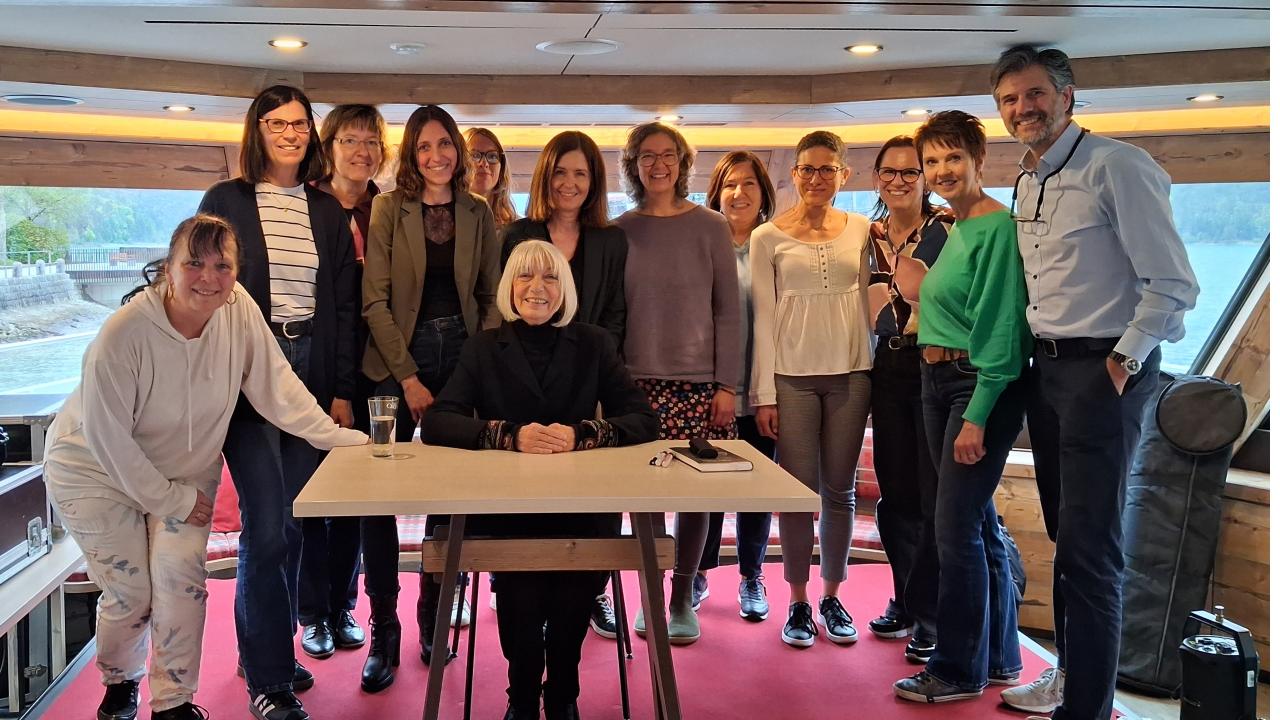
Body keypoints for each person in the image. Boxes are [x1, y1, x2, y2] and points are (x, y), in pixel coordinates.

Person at [45, 215, 368, 720]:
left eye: (223, 266)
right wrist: (170, 499)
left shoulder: (237, 309)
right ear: (167, 268)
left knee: (180, 581)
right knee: (132, 593)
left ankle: (173, 703)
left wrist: (342, 439)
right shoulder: (124, 333)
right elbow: (108, 438)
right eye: (193, 263)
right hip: (95, 469)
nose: (209, 278)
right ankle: (120, 682)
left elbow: (278, 387)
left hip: (183, 470)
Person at [990, 46, 1198, 720]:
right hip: (1047, 372)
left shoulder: (1118, 166)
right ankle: (1070, 680)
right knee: (1068, 538)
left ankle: (1086, 709)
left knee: (1092, 552)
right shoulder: (1028, 180)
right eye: (1009, 100)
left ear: (1067, 96)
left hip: (1103, 372)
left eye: (1034, 94)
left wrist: (1122, 363)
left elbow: (1173, 285)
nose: (1023, 108)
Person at [421, 240, 659, 720]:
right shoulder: (483, 347)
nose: (537, 287)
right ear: (509, 287)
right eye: (525, 276)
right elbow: (438, 422)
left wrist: (582, 434)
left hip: (583, 508)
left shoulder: (594, 343)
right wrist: (508, 435)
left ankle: (564, 694)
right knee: (522, 600)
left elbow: (643, 419)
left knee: (573, 598)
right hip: (509, 511)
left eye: (550, 277)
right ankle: (523, 697)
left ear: (564, 288)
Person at [198, 84, 361, 720]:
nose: (290, 134)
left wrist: (340, 390)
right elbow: (203, 285)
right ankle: (268, 682)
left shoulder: (327, 209)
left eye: (299, 124)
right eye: (277, 123)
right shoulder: (226, 200)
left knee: (293, 525)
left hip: (310, 370)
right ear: (257, 130)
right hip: (245, 372)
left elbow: (343, 308)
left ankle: (264, 649)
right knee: (266, 528)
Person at [360, 103, 502, 692]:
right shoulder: (388, 208)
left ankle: (433, 614)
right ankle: (383, 627)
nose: (436, 155)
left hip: (463, 361)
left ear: (457, 151)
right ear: (411, 155)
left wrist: (471, 371)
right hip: (395, 360)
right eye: (424, 146)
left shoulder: (478, 211)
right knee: (378, 496)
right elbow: (374, 300)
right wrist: (410, 377)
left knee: (449, 494)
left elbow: (492, 300)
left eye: (445, 143)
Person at [891, 110, 1030, 703]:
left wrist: (979, 413)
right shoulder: (958, 226)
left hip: (973, 384)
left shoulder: (997, 226)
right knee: (976, 522)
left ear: (979, 160)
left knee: (954, 530)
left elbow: (1003, 327)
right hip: (938, 377)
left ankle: (955, 670)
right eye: (932, 161)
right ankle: (997, 657)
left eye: (953, 157)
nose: (942, 170)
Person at [500, 130, 629, 636]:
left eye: (581, 173)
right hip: (527, 382)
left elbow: (615, 314)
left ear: (594, 182)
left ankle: (592, 589)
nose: (569, 183)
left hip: (590, 383)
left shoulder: (611, 239)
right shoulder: (519, 233)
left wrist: (595, 375)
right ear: (544, 177)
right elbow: (507, 308)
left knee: (595, 498)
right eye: (560, 172)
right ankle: (520, 586)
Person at [615, 121, 739, 645]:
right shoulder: (620, 229)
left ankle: (683, 595)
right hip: (635, 383)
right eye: (647, 155)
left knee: (695, 497)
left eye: (668, 154)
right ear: (633, 165)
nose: (658, 164)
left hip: (700, 385)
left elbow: (729, 311)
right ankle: (650, 592)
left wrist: (727, 384)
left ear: (683, 163)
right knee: (644, 497)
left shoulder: (712, 226)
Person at [750, 131, 872, 648]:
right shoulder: (767, 236)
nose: (816, 178)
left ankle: (832, 595)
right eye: (807, 169)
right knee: (798, 494)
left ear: (844, 174)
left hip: (852, 373)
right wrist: (764, 393)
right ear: (794, 173)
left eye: (827, 169)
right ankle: (798, 601)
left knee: (840, 492)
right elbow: (762, 318)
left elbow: (872, 304)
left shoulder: (862, 229)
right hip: (791, 379)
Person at [296, 103, 388, 663]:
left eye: (371, 141)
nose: (361, 151)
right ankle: (311, 612)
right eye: (350, 140)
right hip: (314, 365)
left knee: (358, 493)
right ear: (328, 147)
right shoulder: (306, 204)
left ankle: (342, 605)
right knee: (310, 493)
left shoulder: (386, 209)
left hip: (371, 367)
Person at [864, 135, 954, 663]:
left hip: (936, 366)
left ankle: (931, 615)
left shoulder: (949, 230)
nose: (898, 181)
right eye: (889, 172)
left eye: (909, 172)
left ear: (925, 178)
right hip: (887, 367)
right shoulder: (870, 235)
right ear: (876, 178)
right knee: (894, 494)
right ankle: (903, 598)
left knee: (931, 496)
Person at [698, 150, 777, 622]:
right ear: (716, 193)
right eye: (729, 183)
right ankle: (698, 572)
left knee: (756, 488)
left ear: (763, 193)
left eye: (748, 183)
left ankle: (751, 575)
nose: (739, 193)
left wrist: (771, 392)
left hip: (763, 391)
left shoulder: (775, 244)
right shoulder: (704, 246)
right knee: (704, 489)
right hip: (713, 391)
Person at [465, 127, 519, 228]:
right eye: (474, 155)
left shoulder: (518, 228)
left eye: (492, 156)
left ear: (502, 167)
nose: (484, 163)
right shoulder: (445, 222)